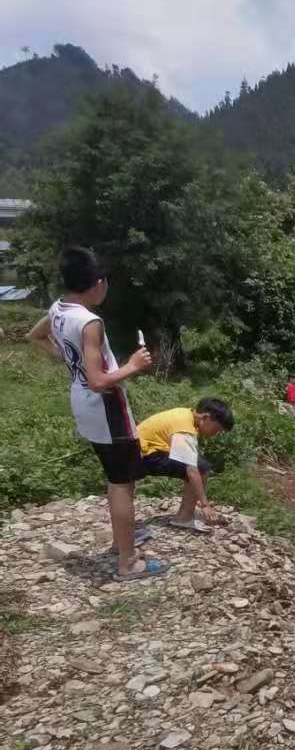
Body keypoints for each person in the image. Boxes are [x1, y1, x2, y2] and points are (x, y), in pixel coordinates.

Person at [25, 246, 167, 582]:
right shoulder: (90, 322)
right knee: (121, 483)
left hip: (82, 403)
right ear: (98, 283)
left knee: (115, 477)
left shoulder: (59, 309)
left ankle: (123, 543)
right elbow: (99, 380)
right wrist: (134, 366)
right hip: (105, 408)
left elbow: (36, 335)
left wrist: (70, 361)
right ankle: (127, 562)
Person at [137, 398, 235, 532]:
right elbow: (192, 470)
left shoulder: (186, 414)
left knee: (200, 465)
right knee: (200, 469)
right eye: (216, 429)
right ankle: (184, 518)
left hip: (145, 449)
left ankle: (185, 515)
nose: (216, 434)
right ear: (206, 417)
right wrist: (205, 505)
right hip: (142, 455)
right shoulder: (185, 430)